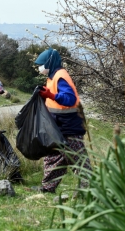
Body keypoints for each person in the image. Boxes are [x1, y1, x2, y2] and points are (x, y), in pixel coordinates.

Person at [32, 48, 93, 193]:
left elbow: (70, 99)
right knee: (53, 158)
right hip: (57, 126)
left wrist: (51, 96)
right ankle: (47, 188)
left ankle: (90, 189)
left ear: (49, 62)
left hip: (69, 126)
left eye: (41, 65)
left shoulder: (60, 76)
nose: (40, 68)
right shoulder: (52, 77)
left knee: (79, 159)